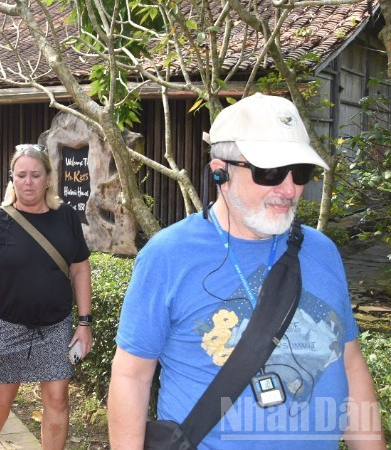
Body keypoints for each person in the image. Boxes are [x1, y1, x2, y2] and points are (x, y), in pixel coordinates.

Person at [108, 94, 385, 449]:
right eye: (269, 171)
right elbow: (132, 375)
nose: (289, 189)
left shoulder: (321, 251)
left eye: (300, 171)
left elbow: (350, 363)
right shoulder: (168, 256)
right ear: (219, 173)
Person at [0, 144, 93, 450]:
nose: (28, 181)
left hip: (56, 325)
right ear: (12, 178)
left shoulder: (65, 217)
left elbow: (80, 270)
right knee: (4, 393)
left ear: (48, 178)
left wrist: (84, 322)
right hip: (9, 325)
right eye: (21, 175)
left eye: (35, 175)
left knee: (57, 397)